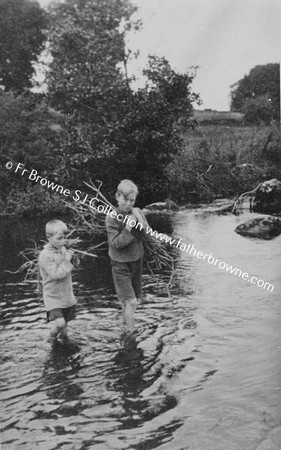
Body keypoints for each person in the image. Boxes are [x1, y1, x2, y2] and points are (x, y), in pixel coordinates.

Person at [105, 179, 149, 348]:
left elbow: (147, 234)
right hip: (120, 264)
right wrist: (129, 228)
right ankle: (131, 338)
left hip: (136, 261)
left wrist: (139, 219)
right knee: (131, 302)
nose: (129, 204)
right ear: (117, 197)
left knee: (131, 301)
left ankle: (125, 330)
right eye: (125, 200)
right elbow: (115, 243)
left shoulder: (136, 212)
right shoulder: (112, 217)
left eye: (132, 201)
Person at [38, 219, 79, 346]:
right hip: (53, 297)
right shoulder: (45, 256)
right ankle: (51, 338)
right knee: (60, 323)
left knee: (65, 329)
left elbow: (72, 266)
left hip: (65, 295)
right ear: (49, 237)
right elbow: (56, 274)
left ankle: (63, 345)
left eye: (65, 238)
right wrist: (66, 261)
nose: (63, 241)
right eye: (59, 238)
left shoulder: (62, 249)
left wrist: (74, 259)